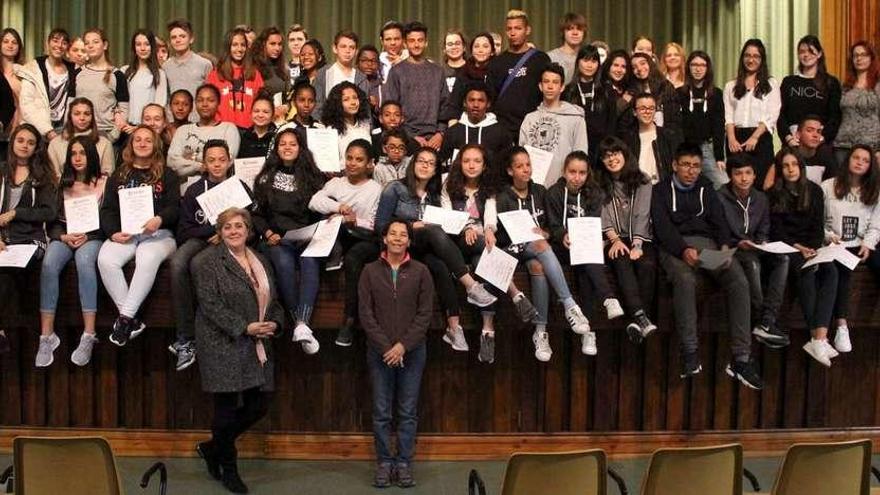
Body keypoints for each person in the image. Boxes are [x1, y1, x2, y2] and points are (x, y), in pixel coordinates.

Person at [651, 143, 762, 389]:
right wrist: (682, 249)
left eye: (696, 166)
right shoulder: (659, 191)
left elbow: (719, 220)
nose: (691, 171)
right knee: (685, 280)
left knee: (737, 278)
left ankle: (741, 359)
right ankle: (689, 353)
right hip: (676, 247)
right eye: (686, 165)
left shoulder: (707, 188)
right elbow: (662, 227)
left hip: (708, 246)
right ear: (675, 166)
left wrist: (724, 246)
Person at [192, 207, 284, 494]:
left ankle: (212, 447)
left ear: (248, 230)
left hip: (257, 343)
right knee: (227, 410)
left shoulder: (262, 261)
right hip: (223, 342)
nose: (234, 231)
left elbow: (274, 301)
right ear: (219, 233)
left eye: (239, 226)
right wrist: (244, 327)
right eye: (227, 227)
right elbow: (210, 306)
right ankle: (228, 469)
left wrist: (276, 324)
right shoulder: (206, 262)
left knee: (260, 405)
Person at [375, 147, 498, 347]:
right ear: (412, 164)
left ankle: (454, 328)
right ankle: (471, 286)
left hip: (427, 248)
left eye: (431, 163)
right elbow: (380, 227)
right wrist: (411, 226)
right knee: (433, 230)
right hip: (402, 244)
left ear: (435, 170)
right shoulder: (395, 188)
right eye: (421, 161)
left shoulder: (434, 193)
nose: (425, 165)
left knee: (441, 265)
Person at [494, 146, 592, 361]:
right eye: (519, 166)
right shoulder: (503, 198)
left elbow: (550, 227)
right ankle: (569, 305)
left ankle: (540, 332)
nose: (525, 170)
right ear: (510, 171)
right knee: (538, 244)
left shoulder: (540, 191)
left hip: (537, 251)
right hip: (513, 249)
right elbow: (502, 236)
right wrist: (533, 237)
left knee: (538, 265)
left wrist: (546, 233)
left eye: (528, 164)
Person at [440, 144, 537, 362]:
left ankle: (487, 331)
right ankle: (515, 294)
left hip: (481, 243)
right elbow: (447, 216)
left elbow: (490, 216)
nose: (471, 165)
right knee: (484, 249)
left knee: (484, 259)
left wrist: (489, 231)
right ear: (459, 164)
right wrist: (466, 229)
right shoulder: (448, 184)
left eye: (477, 161)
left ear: (484, 166)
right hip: (455, 240)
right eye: (466, 161)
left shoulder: (489, 187)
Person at [359, 218, 433, 489]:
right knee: (381, 411)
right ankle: (384, 462)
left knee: (407, 411)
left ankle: (403, 463)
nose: (399, 238)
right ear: (385, 239)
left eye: (404, 235)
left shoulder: (422, 271)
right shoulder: (368, 271)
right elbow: (365, 315)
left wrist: (402, 346)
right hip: (379, 352)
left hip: (412, 352)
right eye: (394, 234)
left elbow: (425, 314)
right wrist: (386, 347)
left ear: (409, 241)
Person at [170, 139, 254, 371]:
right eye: (211, 160)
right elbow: (184, 231)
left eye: (221, 160)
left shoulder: (240, 187)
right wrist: (213, 232)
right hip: (203, 238)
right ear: (204, 164)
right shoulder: (194, 190)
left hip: (233, 241)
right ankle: (185, 337)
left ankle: (214, 329)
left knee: (199, 264)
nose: (217, 165)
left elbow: (251, 224)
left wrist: (227, 234)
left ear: (229, 162)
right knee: (178, 262)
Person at [97, 126, 179, 347]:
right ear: (131, 145)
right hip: (127, 234)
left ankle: (124, 319)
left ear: (155, 145)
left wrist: (160, 219)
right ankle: (130, 319)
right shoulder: (119, 175)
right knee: (106, 259)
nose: (142, 144)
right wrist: (113, 231)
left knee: (147, 256)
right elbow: (107, 210)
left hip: (159, 234)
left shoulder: (167, 174)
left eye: (148, 140)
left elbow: (175, 207)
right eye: (138, 140)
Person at [252, 127, 325, 355]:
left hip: (305, 239)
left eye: (292, 143)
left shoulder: (314, 178)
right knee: (283, 263)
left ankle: (301, 324)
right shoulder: (265, 177)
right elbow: (256, 214)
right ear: (276, 148)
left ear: (300, 148)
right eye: (282, 143)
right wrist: (268, 233)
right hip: (276, 239)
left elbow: (320, 212)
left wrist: (314, 233)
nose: (287, 147)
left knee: (310, 261)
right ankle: (300, 324)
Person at [545, 151, 624, 355]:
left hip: (585, 247)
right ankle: (607, 298)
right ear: (564, 171)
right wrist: (562, 234)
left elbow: (595, 223)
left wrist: (593, 240)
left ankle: (590, 330)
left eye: (582, 173)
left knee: (586, 270)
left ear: (588, 174)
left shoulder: (594, 193)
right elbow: (552, 225)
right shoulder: (553, 192)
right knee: (585, 260)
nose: (577, 177)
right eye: (572, 172)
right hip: (563, 246)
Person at [37, 137, 106, 367]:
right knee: (49, 263)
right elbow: (52, 222)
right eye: (73, 154)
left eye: (82, 153)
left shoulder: (104, 182)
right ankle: (47, 336)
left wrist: (89, 235)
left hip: (92, 236)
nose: (77, 158)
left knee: (85, 261)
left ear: (91, 156)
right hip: (65, 235)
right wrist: (62, 236)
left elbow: (109, 219)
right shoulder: (62, 183)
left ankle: (89, 333)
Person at [308, 139, 382, 346]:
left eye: (359, 159)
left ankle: (349, 320)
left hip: (364, 238)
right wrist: (339, 208)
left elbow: (375, 224)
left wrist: (355, 219)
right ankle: (334, 253)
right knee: (330, 221)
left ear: (370, 164)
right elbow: (314, 202)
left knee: (353, 258)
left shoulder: (375, 189)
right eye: (349, 158)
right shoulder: (335, 183)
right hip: (340, 235)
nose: (352, 163)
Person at [767, 148, 837, 366]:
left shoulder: (814, 191)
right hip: (787, 248)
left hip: (812, 246)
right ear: (780, 169)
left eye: (794, 165)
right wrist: (799, 248)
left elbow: (817, 228)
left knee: (831, 271)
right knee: (806, 271)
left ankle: (820, 337)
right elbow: (776, 231)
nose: (790, 170)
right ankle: (816, 337)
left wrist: (813, 248)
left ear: (801, 167)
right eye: (786, 166)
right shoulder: (773, 194)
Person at [718, 154, 790, 348]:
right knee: (751, 262)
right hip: (732, 249)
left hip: (755, 246)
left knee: (783, 259)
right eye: (738, 174)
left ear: (754, 175)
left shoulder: (760, 198)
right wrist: (737, 242)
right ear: (730, 176)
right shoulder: (719, 197)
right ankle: (759, 317)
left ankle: (767, 320)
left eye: (748, 173)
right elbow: (719, 230)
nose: (744, 178)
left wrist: (763, 241)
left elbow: (764, 227)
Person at [0, 124, 56, 355]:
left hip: (31, 240)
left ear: (36, 148)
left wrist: (16, 213)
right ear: (12, 142)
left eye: (30, 142)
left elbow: (48, 212)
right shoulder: (2, 171)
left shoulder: (42, 176)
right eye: (20, 140)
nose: (24, 145)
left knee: (8, 272)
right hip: (4, 240)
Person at [596, 136, 658, 342]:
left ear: (624, 154)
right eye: (606, 156)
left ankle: (636, 319)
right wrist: (614, 240)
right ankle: (641, 317)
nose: (611, 159)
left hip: (640, 237)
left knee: (646, 264)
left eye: (615, 153)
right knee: (621, 260)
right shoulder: (599, 183)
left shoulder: (643, 180)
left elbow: (642, 213)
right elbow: (603, 214)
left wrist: (638, 245)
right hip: (614, 238)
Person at [822, 145, 880, 356]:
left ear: (870, 166)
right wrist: (828, 236)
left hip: (863, 243)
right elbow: (817, 220)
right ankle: (841, 326)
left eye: (865, 161)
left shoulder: (874, 191)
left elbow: (876, 224)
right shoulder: (828, 186)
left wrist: (869, 244)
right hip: (835, 244)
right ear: (848, 159)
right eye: (856, 158)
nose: (860, 163)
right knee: (842, 271)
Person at [519, 63, 588, 187]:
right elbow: (521, 154)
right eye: (546, 82)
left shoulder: (575, 118)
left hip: (562, 187)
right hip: (534, 186)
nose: (550, 86)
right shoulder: (530, 118)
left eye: (555, 82)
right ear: (540, 86)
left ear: (562, 87)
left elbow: (580, 155)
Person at [487, 9, 551, 141]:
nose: (513, 32)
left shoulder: (540, 59)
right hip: (503, 128)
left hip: (534, 125)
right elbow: (491, 96)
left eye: (518, 28)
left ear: (527, 30)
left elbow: (548, 91)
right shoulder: (497, 62)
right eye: (509, 29)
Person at [724, 39, 781, 187]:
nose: (751, 59)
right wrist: (731, 138)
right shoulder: (731, 86)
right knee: (737, 184)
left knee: (761, 184)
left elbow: (772, 114)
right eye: (747, 55)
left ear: (762, 59)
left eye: (756, 56)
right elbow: (728, 115)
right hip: (736, 140)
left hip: (760, 138)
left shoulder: (771, 84)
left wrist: (755, 137)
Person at [384, 21, 447, 150]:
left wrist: (440, 133)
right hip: (406, 138)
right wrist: (409, 136)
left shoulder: (437, 71)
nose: (416, 44)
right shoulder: (396, 71)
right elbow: (391, 108)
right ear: (405, 44)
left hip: (435, 138)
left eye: (420, 40)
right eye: (412, 41)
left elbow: (445, 105)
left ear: (426, 42)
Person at [167, 84, 241, 181]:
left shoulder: (228, 128)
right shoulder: (183, 130)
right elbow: (172, 162)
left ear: (218, 103)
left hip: (217, 188)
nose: (205, 104)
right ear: (195, 104)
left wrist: (190, 157)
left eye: (210, 100)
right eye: (200, 100)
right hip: (185, 191)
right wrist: (199, 166)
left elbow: (227, 161)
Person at [779, 35, 842, 148]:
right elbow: (781, 114)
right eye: (802, 51)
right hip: (793, 144)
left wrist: (821, 138)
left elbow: (835, 117)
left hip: (820, 145)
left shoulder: (831, 83)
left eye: (811, 51)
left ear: (819, 54)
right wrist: (788, 138)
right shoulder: (789, 82)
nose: (806, 55)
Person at [677, 50, 726, 188]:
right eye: (694, 65)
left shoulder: (716, 94)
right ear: (688, 67)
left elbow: (719, 125)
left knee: (722, 183)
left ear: (707, 68)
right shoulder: (679, 93)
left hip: (707, 148)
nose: (698, 69)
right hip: (685, 149)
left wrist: (720, 157)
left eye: (702, 65)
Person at [439, 81, 512, 174]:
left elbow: (506, 165)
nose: (476, 105)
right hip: (458, 185)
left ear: (488, 104)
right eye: (471, 100)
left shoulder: (501, 132)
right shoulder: (453, 132)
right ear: (464, 103)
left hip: (491, 186)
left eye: (481, 100)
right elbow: (444, 164)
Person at [17, 28, 76, 142]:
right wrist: (47, 130)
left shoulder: (73, 70)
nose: (59, 45)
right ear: (47, 43)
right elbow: (26, 104)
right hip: (37, 129)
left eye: (64, 43)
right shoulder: (33, 68)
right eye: (55, 40)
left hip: (64, 130)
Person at [562, 44, 614, 166]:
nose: (589, 65)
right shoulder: (568, 91)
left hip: (602, 153)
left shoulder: (606, 90)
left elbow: (612, 122)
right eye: (585, 60)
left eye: (594, 61)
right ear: (578, 62)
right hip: (575, 151)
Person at [76, 28, 129, 143]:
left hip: (106, 134)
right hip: (80, 134)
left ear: (104, 45)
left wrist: (113, 136)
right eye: (87, 43)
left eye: (95, 42)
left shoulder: (117, 75)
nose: (90, 46)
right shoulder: (77, 73)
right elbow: (70, 105)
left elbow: (124, 108)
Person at [206, 28, 264, 128]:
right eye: (235, 45)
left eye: (243, 45)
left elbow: (261, 103)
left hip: (248, 131)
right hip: (221, 130)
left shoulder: (255, 74)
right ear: (228, 47)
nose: (239, 49)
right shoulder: (215, 74)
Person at [834, 41, 880, 165]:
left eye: (863, 55)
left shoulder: (878, 86)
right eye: (856, 55)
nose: (859, 58)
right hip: (843, 145)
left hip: (871, 146)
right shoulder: (845, 87)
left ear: (871, 58)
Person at [764, 115, 839, 189]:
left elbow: (834, 186)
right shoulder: (786, 154)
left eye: (818, 132)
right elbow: (767, 186)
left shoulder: (826, 156)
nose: (815, 135)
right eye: (810, 130)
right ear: (798, 134)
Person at [47, 97, 115, 176]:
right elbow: (53, 176)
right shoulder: (55, 143)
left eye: (87, 114)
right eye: (77, 114)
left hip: (96, 186)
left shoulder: (104, 143)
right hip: (64, 186)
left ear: (92, 117)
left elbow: (108, 174)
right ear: (70, 116)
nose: (82, 118)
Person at [622, 92, 681, 185]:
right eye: (642, 108)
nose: (647, 112)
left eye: (651, 108)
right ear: (634, 112)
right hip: (638, 187)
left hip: (662, 187)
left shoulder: (668, 136)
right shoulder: (628, 138)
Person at [440, 32, 496, 124]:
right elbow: (455, 103)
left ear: (492, 51)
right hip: (465, 123)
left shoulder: (498, 71)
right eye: (476, 46)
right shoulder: (464, 72)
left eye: (485, 46)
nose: (480, 50)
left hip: (492, 123)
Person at [164, 19, 213, 123]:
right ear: (170, 42)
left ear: (191, 39)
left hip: (198, 121)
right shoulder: (165, 66)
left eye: (182, 36)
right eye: (174, 37)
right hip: (173, 122)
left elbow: (211, 95)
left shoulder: (204, 64)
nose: (178, 40)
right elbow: (166, 97)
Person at [313, 30, 370, 117]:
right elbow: (317, 106)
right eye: (343, 46)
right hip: (327, 126)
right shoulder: (323, 73)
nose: (347, 51)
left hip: (354, 127)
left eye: (352, 47)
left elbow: (365, 110)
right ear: (335, 48)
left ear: (356, 51)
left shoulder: (362, 78)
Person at [121, 30, 168, 128]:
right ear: (134, 48)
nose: (142, 48)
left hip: (148, 128)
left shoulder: (159, 74)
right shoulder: (124, 71)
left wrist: (140, 128)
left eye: (147, 44)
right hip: (125, 127)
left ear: (153, 47)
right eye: (138, 44)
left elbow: (159, 105)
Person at [321, 81, 372, 162]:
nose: (353, 102)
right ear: (337, 104)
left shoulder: (365, 125)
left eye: (355, 98)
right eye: (346, 99)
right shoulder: (331, 130)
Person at [251, 26, 289, 108]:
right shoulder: (253, 68)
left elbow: (286, 99)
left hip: (279, 118)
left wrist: (286, 107)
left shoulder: (284, 70)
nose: (277, 48)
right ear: (263, 44)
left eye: (279, 44)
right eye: (273, 44)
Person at [547, 12, 587, 82]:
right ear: (563, 32)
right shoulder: (550, 57)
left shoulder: (588, 59)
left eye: (579, 29)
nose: (575, 33)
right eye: (570, 29)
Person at [1, 28, 24, 134]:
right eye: (5, 41)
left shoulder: (25, 72)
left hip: (22, 127)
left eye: (14, 42)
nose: (10, 45)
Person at [357, 45, 382, 113]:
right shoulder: (352, 83)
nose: (369, 64)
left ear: (378, 64)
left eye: (373, 61)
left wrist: (376, 107)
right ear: (357, 63)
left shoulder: (383, 87)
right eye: (364, 60)